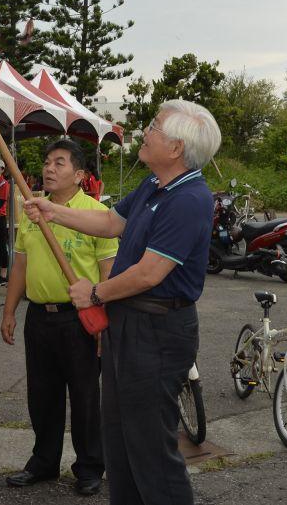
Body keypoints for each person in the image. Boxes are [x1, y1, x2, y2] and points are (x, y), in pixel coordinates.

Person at [23, 100, 221, 505]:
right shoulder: (154, 185)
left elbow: (151, 272)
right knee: (120, 440)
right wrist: (53, 212)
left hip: (158, 331)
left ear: (176, 148)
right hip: (128, 324)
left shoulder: (190, 198)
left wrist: (95, 292)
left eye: (155, 127)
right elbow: (111, 223)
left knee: (150, 447)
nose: (145, 132)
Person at [1, 138, 118, 496]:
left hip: (79, 319)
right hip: (40, 317)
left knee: (84, 396)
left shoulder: (97, 216)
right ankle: (43, 461)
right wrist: (9, 311)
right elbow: (20, 262)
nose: (49, 169)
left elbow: (108, 271)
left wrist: (105, 320)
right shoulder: (32, 208)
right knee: (42, 395)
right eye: (48, 162)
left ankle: (89, 466)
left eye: (60, 163)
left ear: (80, 175)